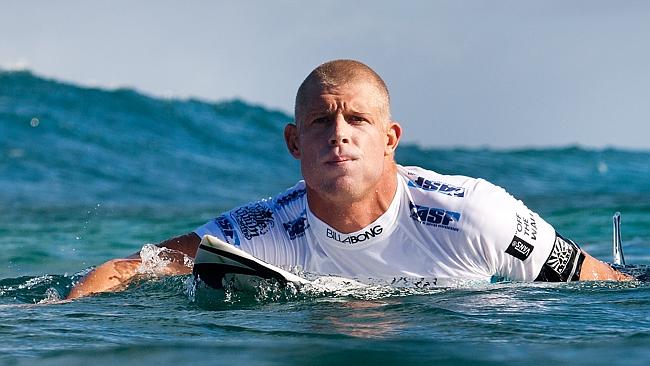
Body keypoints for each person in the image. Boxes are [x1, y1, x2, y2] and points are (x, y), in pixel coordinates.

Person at [66, 60, 629, 299]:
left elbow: (600, 287)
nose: (339, 133)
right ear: (295, 142)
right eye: (321, 121)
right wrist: (51, 327)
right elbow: (124, 269)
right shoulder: (260, 230)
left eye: (358, 119)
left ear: (390, 138)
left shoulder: (475, 214)